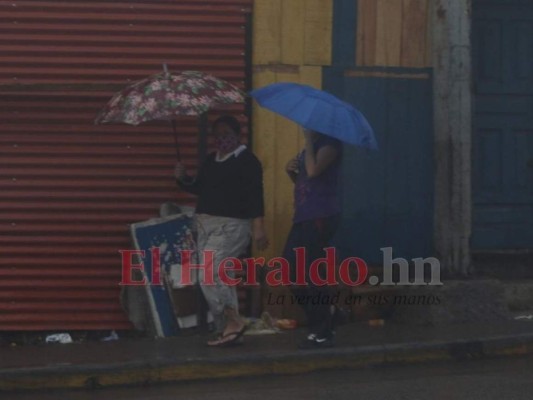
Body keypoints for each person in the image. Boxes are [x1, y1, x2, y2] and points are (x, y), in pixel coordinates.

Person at [174, 115, 268, 347]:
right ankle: (226, 330)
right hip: (205, 224)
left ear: (238, 135)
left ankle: (233, 321)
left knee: (209, 272)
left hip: (231, 226)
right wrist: (182, 178)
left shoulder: (248, 161)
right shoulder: (211, 160)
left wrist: (258, 228)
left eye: (227, 134)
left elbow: (256, 196)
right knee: (217, 275)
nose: (221, 139)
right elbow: (200, 188)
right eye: (218, 135)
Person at [283, 128, 343, 349]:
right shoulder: (310, 147)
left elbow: (314, 170)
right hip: (303, 216)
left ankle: (322, 330)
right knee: (289, 270)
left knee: (310, 273)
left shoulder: (330, 143)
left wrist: (308, 141)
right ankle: (327, 314)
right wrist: (290, 172)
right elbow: (305, 181)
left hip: (321, 216)